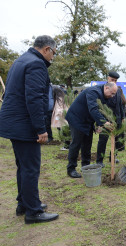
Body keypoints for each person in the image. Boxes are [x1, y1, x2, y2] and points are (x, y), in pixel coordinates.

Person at [0, 35, 59, 224]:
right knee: (31, 169)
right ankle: (33, 212)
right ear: (47, 49)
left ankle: (24, 203)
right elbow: (33, 98)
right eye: (53, 54)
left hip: (13, 123)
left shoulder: (20, 61)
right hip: (24, 125)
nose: (52, 58)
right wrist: (40, 129)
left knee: (23, 167)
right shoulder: (36, 64)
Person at [65, 82, 117, 178]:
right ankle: (71, 169)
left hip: (87, 120)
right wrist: (104, 123)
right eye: (112, 93)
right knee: (76, 144)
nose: (113, 96)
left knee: (87, 143)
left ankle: (86, 166)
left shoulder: (104, 96)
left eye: (114, 94)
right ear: (106, 88)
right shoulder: (93, 92)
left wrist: (99, 124)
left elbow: (100, 110)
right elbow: (93, 109)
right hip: (77, 118)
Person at [96, 72, 126, 167]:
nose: (114, 82)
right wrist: (100, 123)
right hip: (105, 120)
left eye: (116, 81)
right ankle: (99, 161)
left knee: (116, 140)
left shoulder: (118, 90)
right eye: (112, 80)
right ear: (108, 78)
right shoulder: (101, 90)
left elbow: (120, 105)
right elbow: (99, 107)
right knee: (102, 140)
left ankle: (113, 157)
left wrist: (122, 117)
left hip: (116, 119)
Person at [51, 85, 70, 150]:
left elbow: (59, 110)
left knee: (63, 131)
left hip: (61, 118)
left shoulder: (59, 98)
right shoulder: (64, 96)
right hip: (65, 116)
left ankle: (67, 146)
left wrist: (56, 119)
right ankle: (67, 145)